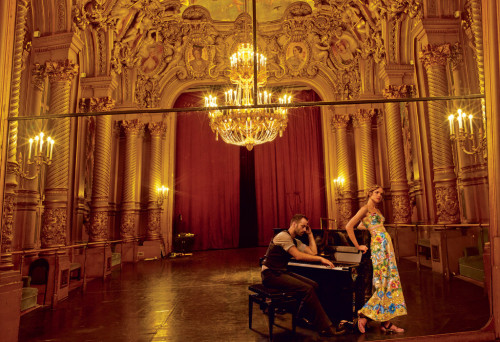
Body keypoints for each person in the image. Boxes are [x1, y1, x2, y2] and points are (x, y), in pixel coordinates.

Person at [261, 214, 343, 337]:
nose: (304, 230)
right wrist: (320, 260)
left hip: (280, 272)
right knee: (307, 289)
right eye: (302, 226)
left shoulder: (295, 240)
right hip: (270, 275)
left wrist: (310, 235)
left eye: (306, 227)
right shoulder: (283, 236)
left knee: (314, 285)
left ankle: (300, 317)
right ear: (294, 224)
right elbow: (298, 256)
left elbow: (313, 252)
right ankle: (326, 327)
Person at [345, 185, 407, 334]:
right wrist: (358, 245)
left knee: (389, 282)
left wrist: (370, 227)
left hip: (386, 246)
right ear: (369, 193)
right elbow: (349, 226)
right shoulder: (365, 208)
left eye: (381, 193)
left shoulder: (377, 211)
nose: (379, 195)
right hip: (379, 247)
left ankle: (386, 323)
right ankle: (364, 316)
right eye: (376, 192)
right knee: (381, 283)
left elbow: (361, 225)